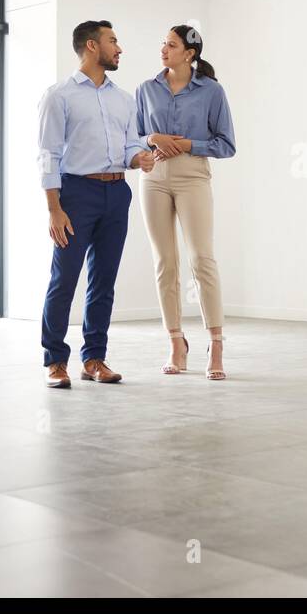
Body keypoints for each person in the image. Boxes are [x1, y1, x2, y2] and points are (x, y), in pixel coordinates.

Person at [37, 20, 155, 388]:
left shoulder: (124, 98)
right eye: (113, 41)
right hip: (75, 195)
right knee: (64, 279)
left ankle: (94, 359)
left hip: (117, 194)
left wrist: (140, 159)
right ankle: (55, 361)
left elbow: (131, 144)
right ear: (91, 46)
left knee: (103, 281)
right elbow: (48, 154)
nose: (119, 48)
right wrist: (54, 208)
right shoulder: (59, 96)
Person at [135, 25, 235, 380]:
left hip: (193, 175)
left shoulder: (211, 92)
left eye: (171, 44)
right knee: (165, 263)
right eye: (163, 42)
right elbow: (134, 137)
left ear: (189, 54)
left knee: (201, 259)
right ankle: (176, 343)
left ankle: (216, 343)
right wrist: (153, 137)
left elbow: (226, 144)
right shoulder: (146, 89)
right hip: (153, 178)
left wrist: (189, 144)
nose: (164, 48)